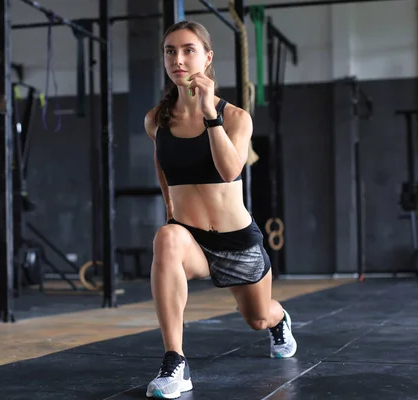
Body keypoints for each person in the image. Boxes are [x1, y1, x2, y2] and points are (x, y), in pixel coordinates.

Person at [143, 20, 297, 399]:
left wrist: (209, 112)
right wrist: (170, 209)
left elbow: (230, 170)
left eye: (188, 50)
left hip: (238, 242)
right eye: (170, 51)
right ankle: (174, 361)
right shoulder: (156, 120)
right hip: (191, 239)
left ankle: (280, 321)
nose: (178, 59)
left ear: (207, 57)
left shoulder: (235, 117)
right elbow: (163, 168)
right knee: (166, 239)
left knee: (257, 318)